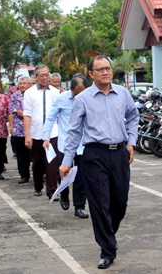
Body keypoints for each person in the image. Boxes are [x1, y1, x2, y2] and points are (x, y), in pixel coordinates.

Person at [59, 55, 139, 270]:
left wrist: (131, 142)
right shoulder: (83, 99)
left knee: (119, 203)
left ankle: (108, 233)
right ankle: (107, 249)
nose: (105, 72)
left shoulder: (123, 94)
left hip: (120, 153)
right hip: (94, 155)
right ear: (91, 74)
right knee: (99, 203)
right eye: (100, 69)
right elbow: (74, 132)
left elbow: (133, 116)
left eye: (108, 68)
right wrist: (66, 161)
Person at [43, 73, 89, 219]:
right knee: (64, 172)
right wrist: (46, 138)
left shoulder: (90, 99)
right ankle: (64, 193)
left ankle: (79, 206)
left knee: (81, 176)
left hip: (83, 144)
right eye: (77, 93)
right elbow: (50, 118)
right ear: (70, 89)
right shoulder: (61, 99)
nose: (79, 97)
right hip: (66, 143)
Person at [24, 65, 60, 198]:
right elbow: (27, 114)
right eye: (42, 75)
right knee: (37, 162)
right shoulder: (30, 93)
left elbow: (60, 113)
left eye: (47, 74)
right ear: (36, 77)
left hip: (53, 133)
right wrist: (27, 134)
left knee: (52, 163)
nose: (45, 77)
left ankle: (52, 191)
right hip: (36, 133)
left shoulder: (56, 92)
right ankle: (37, 186)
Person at [9, 75, 32, 184]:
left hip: (33, 129)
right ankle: (24, 175)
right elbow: (17, 111)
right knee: (21, 155)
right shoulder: (14, 96)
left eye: (24, 83)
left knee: (34, 154)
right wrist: (29, 115)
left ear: (29, 84)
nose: (22, 85)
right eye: (20, 83)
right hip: (19, 130)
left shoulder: (34, 95)